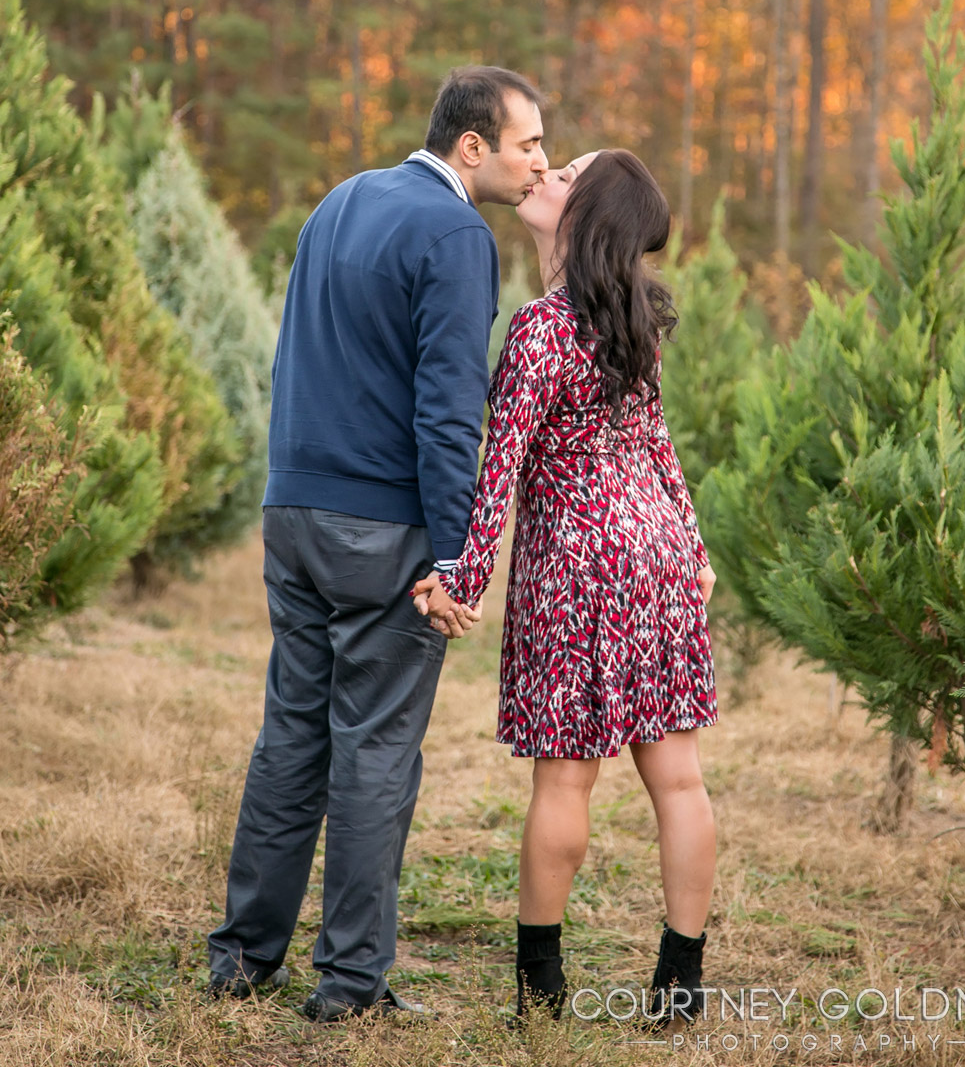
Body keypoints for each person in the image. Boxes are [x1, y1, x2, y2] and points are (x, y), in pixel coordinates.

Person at [207, 66, 547, 1022]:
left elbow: (294, 353)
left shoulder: (340, 199)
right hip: (382, 528)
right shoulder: (454, 233)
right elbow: (448, 417)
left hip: (295, 512)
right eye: (528, 145)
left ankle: (241, 957)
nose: (539, 164)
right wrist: (456, 558)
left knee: (292, 735)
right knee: (376, 751)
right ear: (470, 146)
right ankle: (351, 982)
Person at [413, 150, 718, 1025]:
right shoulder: (635, 317)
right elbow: (656, 445)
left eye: (566, 173)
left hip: (578, 568)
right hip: (655, 556)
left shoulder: (543, 329)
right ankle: (680, 985)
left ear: (584, 218)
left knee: (563, 786)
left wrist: (458, 582)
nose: (546, 172)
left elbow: (497, 470)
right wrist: (691, 547)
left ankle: (540, 992)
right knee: (680, 782)